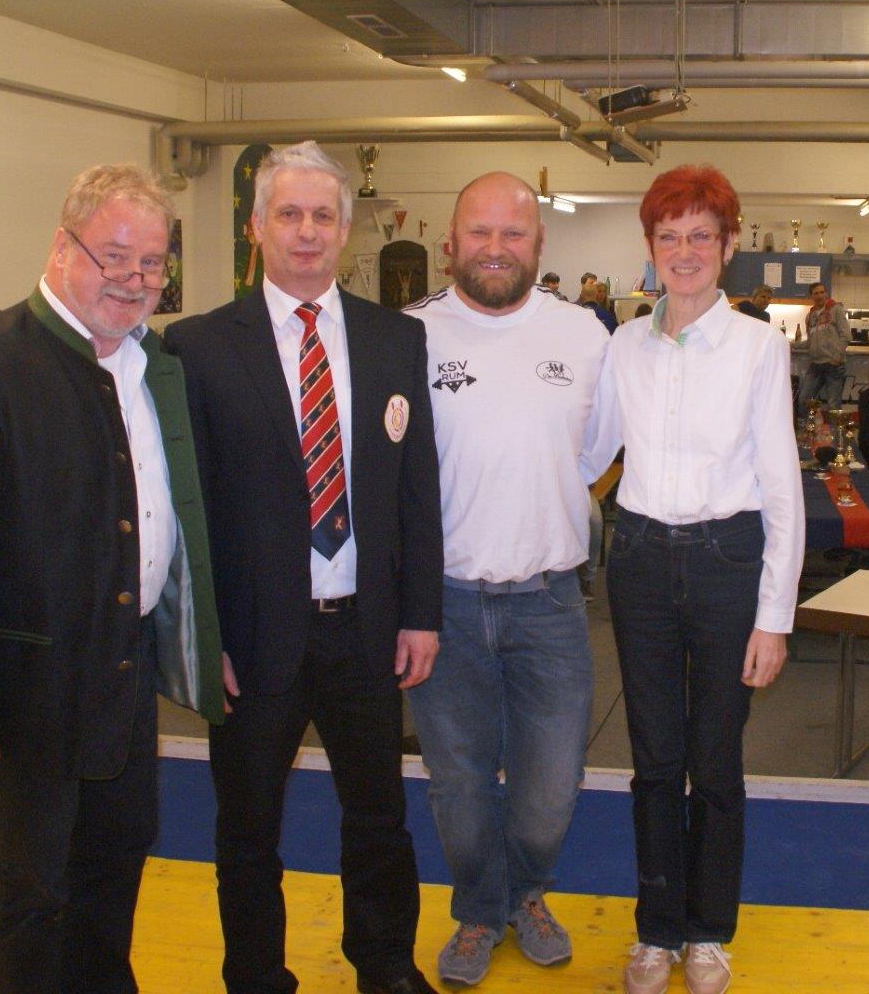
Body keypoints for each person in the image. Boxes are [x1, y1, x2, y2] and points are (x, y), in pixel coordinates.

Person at [0, 163, 225, 993]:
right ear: (61, 246)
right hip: (27, 693)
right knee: (31, 895)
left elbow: (169, 519)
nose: (134, 279)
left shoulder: (152, 368)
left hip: (124, 674)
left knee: (114, 867)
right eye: (115, 255)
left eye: (152, 264)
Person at [164, 141, 443, 994]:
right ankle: (255, 976)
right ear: (257, 227)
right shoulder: (198, 346)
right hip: (253, 641)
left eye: (323, 215)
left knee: (380, 819)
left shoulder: (397, 339)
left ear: (346, 229)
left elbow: (416, 487)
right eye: (288, 214)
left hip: (366, 631)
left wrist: (421, 613)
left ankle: (385, 966)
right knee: (247, 830)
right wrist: (203, 635)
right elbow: (188, 512)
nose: (308, 231)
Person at [582, 164, 804, 994]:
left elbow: (780, 487)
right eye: (669, 236)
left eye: (700, 236)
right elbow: (590, 452)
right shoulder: (624, 344)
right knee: (651, 758)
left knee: (713, 760)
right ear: (649, 246)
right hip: (640, 560)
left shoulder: (757, 347)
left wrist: (773, 617)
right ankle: (656, 930)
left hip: (725, 564)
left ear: (728, 245)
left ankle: (708, 931)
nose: (684, 252)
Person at [403, 172, 607, 986]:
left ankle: (527, 892)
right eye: (480, 232)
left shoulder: (584, 334)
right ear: (451, 241)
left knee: (551, 786)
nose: (495, 248)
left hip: (549, 602)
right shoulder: (408, 334)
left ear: (539, 244)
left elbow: (596, 453)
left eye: (512, 233)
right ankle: (482, 911)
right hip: (442, 604)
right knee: (458, 785)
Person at [794, 281, 850, 412]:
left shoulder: (836, 309)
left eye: (822, 292)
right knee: (803, 400)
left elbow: (846, 335)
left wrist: (837, 357)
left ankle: (834, 427)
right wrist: (791, 345)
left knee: (833, 405)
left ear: (826, 293)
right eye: (816, 293)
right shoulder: (810, 316)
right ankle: (807, 426)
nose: (819, 295)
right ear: (811, 296)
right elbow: (810, 342)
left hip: (833, 364)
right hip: (816, 364)